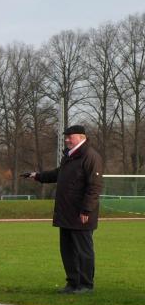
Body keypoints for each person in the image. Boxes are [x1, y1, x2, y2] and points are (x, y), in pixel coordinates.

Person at [23, 125, 103, 294]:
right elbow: (59, 174)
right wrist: (37, 176)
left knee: (83, 251)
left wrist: (86, 210)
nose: (66, 139)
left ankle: (86, 285)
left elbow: (94, 187)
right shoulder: (70, 156)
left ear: (81, 137)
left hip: (80, 214)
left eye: (70, 136)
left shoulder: (90, 156)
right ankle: (72, 283)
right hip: (66, 213)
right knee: (67, 251)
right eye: (66, 136)